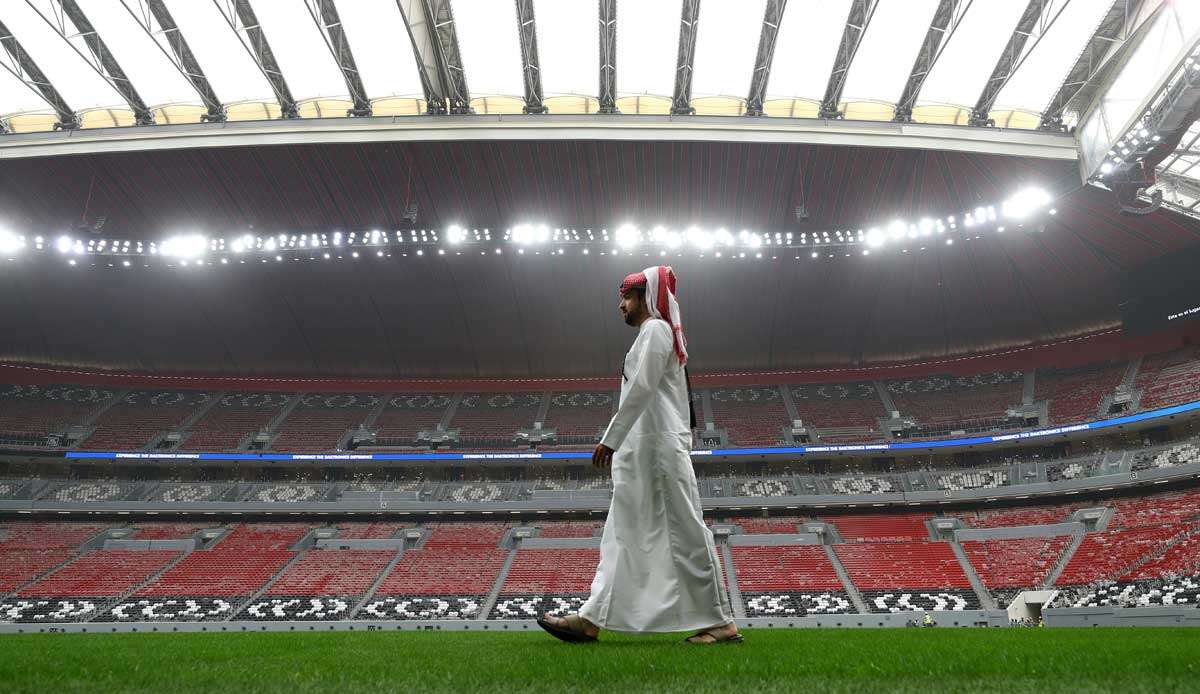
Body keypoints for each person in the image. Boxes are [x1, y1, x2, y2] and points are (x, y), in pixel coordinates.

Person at [537, 266, 739, 645]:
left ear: (646, 298)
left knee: (686, 530)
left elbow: (642, 388)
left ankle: (720, 622)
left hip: (659, 453)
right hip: (642, 453)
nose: (620, 305)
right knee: (621, 534)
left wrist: (611, 438)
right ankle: (592, 618)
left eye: (626, 297)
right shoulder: (652, 335)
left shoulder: (657, 331)